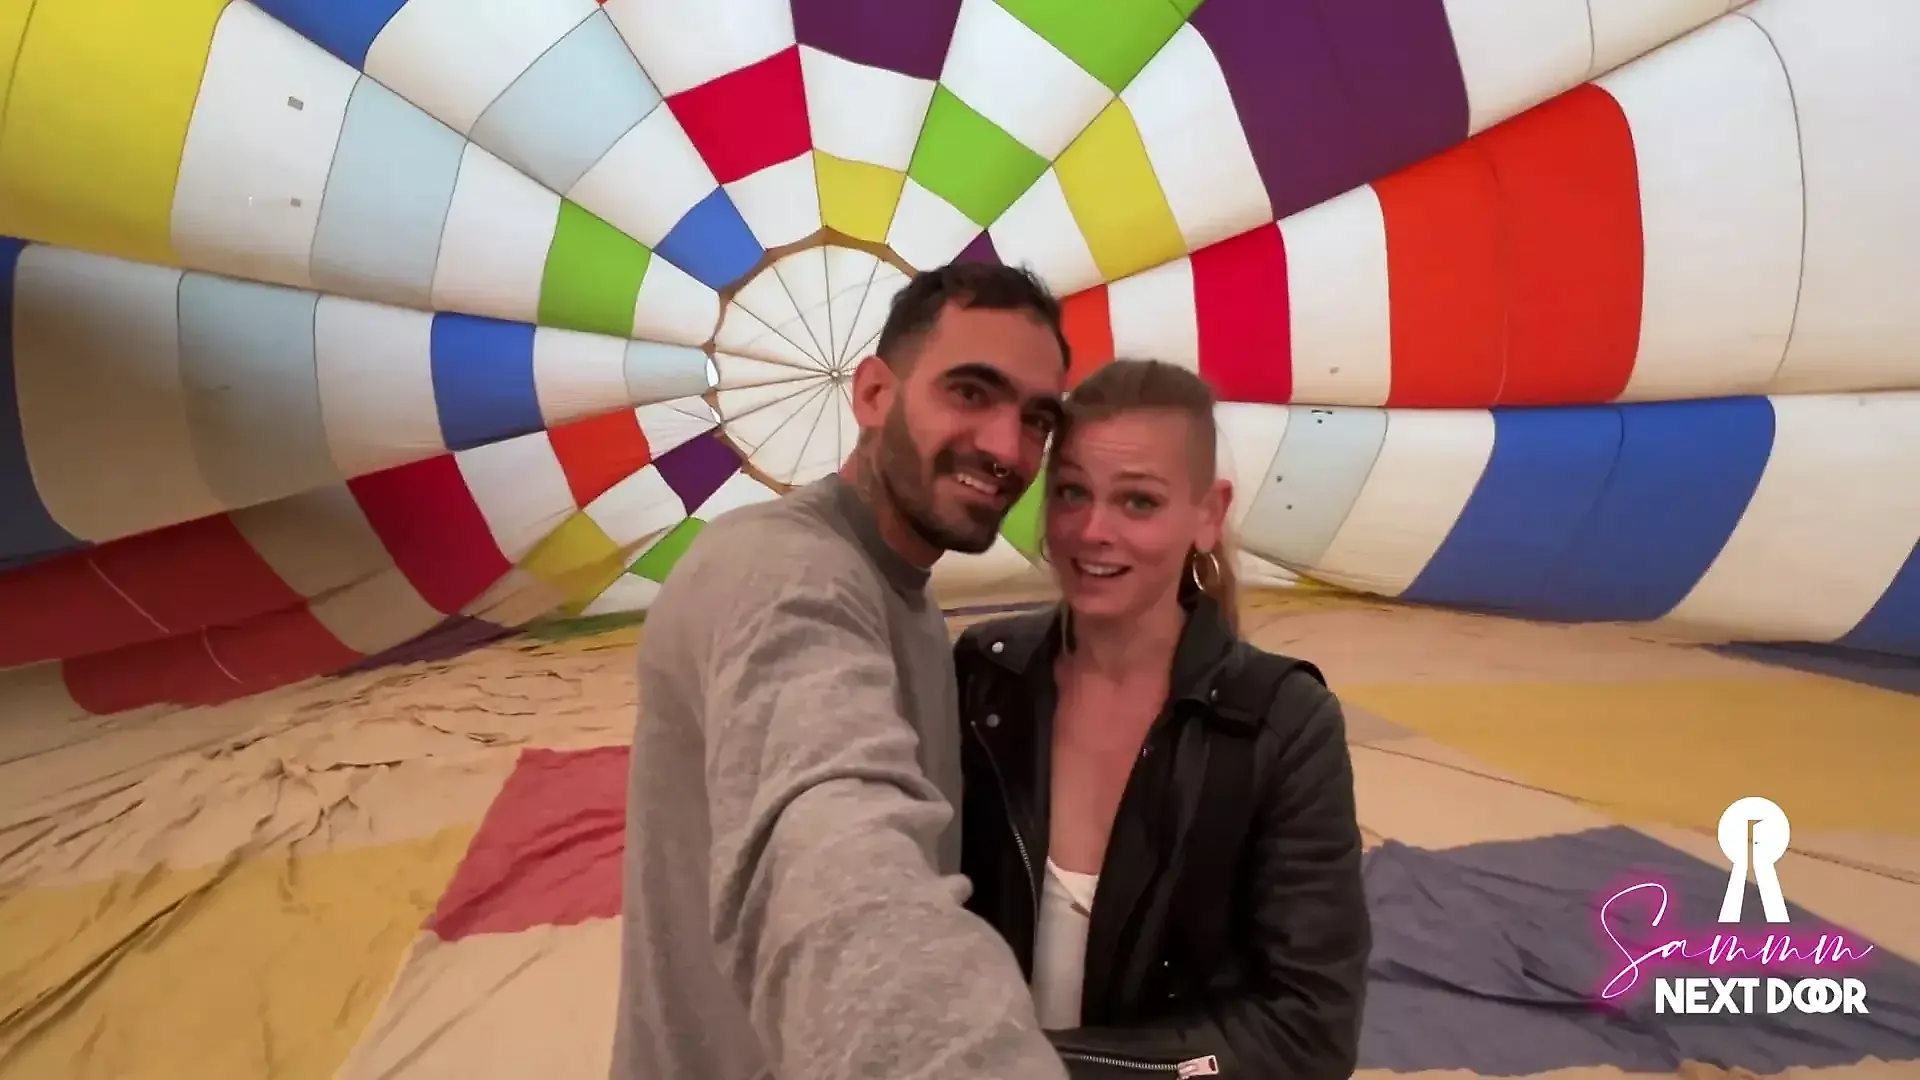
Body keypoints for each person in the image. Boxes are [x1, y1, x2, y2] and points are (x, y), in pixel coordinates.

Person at [611, 262, 1078, 1080]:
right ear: (873, 395)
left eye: (1036, 419)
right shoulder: (780, 573)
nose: (1008, 449)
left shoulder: (908, 597)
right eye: (971, 392)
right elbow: (835, 858)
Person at [954, 359, 1372, 1079]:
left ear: (1208, 514)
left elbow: (1306, 1032)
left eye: (1138, 502)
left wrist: (1030, 1067)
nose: (1093, 529)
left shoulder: (1283, 726)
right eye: (1072, 492)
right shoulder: (984, 679)